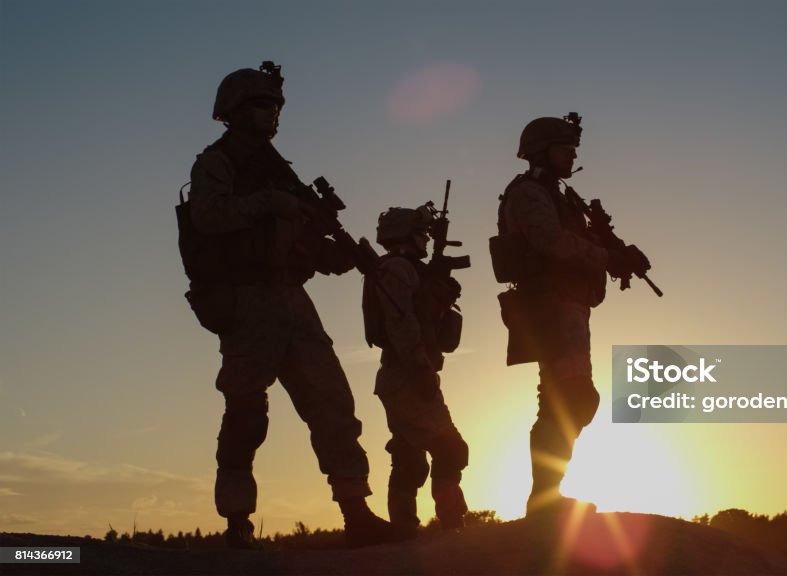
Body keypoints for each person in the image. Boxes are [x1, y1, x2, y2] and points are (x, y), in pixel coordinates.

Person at [181, 62, 392, 548]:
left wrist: (337, 255)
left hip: (293, 298)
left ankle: (356, 511)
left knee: (333, 402)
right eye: (261, 105)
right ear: (234, 111)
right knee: (246, 412)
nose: (271, 113)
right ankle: (237, 521)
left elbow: (306, 241)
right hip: (248, 299)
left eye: (274, 105)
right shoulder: (217, 162)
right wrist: (271, 203)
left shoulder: (278, 167)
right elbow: (208, 216)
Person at [490, 114, 650, 516]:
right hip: (550, 305)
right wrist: (607, 256)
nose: (573, 154)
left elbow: (578, 239)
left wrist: (619, 253)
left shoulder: (558, 194)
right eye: (566, 147)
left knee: (565, 400)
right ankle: (544, 499)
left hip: (569, 305)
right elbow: (550, 241)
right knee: (573, 398)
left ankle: (546, 497)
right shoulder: (528, 193)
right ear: (542, 150)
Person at [362, 206, 469, 539]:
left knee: (409, 456)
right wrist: (421, 367)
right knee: (450, 448)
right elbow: (401, 323)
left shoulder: (409, 270)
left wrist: (437, 293)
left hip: (405, 373)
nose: (426, 238)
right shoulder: (395, 268)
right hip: (407, 373)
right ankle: (451, 524)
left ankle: (404, 526)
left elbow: (424, 322)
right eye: (422, 232)